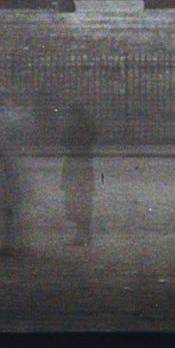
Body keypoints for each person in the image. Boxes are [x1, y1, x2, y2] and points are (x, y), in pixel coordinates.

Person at [0, 98, 35, 256]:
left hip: (6, 170)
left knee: (3, 209)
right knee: (15, 209)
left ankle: (7, 245)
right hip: (15, 167)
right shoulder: (20, 119)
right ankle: (18, 244)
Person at [62, 101, 98, 246]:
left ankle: (80, 234)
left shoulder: (72, 127)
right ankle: (85, 233)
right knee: (85, 198)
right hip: (86, 162)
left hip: (74, 163)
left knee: (76, 198)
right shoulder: (89, 126)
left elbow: (64, 141)